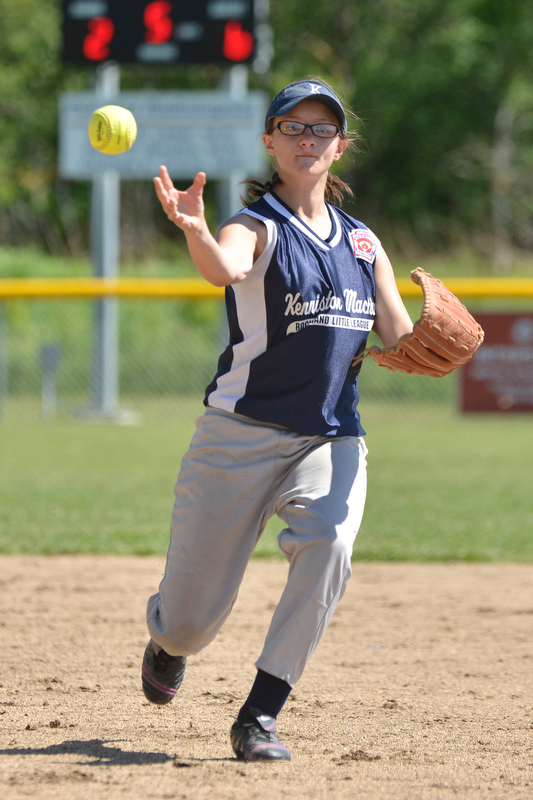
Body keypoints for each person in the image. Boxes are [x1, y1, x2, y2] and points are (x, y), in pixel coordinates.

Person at [142, 78, 413, 762]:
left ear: (339, 146)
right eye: (292, 127)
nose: (306, 139)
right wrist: (196, 228)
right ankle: (167, 644)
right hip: (239, 434)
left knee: (330, 544)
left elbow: (400, 338)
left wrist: (429, 339)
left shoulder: (362, 244)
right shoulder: (254, 224)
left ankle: (259, 713)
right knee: (189, 623)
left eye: (320, 129)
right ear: (270, 141)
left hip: (329, 435)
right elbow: (224, 268)